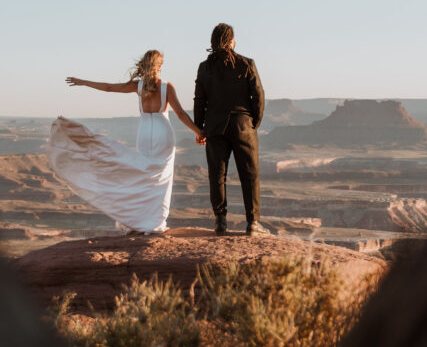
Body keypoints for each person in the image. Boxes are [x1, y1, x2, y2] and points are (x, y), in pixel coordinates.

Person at [48, 50, 204, 234]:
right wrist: (198, 132)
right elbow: (181, 114)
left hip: (145, 132)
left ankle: (140, 220)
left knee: (144, 173)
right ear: (160, 66)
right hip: (163, 132)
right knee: (161, 177)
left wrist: (83, 82)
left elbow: (109, 87)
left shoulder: (138, 86)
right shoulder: (167, 87)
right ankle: (155, 221)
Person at [194, 23, 266, 236]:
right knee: (250, 174)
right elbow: (259, 96)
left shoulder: (205, 67)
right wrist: (253, 122)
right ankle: (253, 223)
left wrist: (200, 129)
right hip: (244, 126)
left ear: (213, 43)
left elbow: (200, 101)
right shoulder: (247, 64)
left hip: (215, 127)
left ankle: (220, 222)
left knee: (217, 175)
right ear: (232, 41)